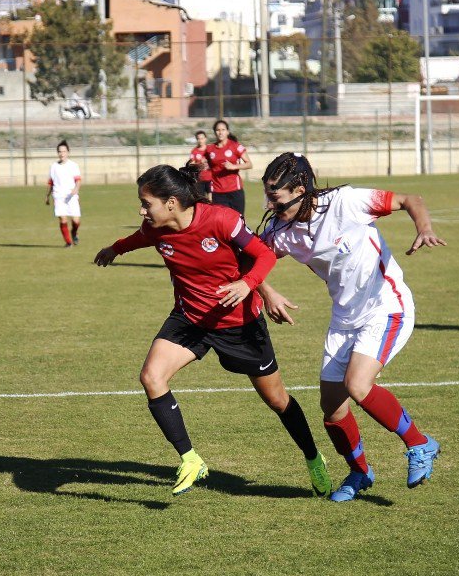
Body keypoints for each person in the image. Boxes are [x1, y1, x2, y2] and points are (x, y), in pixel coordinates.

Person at [93, 164, 332, 498]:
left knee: (277, 400)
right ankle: (191, 460)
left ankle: (312, 457)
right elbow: (138, 238)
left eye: (147, 203)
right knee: (152, 377)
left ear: (172, 203)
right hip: (189, 320)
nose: (142, 209)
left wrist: (250, 285)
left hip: (240, 326)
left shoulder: (220, 219)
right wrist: (114, 249)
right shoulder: (156, 228)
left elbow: (262, 254)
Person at [256, 153, 445, 502]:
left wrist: (425, 228)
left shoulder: (345, 202)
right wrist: (267, 291)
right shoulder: (282, 231)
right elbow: (248, 262)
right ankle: (360, 472)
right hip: (344, 319)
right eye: (267, 195)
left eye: (276, 197)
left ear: (301, 190)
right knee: (333, 409)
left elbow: (409, 200)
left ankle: (420, 443)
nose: (270, 204)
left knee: (357, 385)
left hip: (385, 307)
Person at [205, 119, 252, 215]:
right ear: (214, 132)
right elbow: (206, 164)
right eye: (218, 130)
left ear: (227, 131)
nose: (220, 132)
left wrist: (234, 166)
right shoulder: (210, 149)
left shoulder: (235, 146)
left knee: (238, 220)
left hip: (235, 190)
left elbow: (249, 164)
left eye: (223, 130)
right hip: (217, 191)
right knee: (220, 221)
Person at [45, 140, 82, 247]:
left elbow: (78, 180)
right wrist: (47, 196)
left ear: (68, 152)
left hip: (71, 196)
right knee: (63, 219)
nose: (62, 154)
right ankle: (68, 242)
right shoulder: (54, 166)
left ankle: (74, 233)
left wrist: (75, 189)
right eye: (60, 152)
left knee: (76, 221)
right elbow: (50, 182)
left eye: (64, 151)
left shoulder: (73, 165)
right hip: (58, 196)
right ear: (58, 153)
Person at [187, 129, 213, 199]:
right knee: (202, 199)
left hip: (211, 179)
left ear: (205, 139)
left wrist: (208, 162)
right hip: (200, 179)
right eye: (198, 139)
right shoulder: (194, 151)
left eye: (202, 138)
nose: (200, 140)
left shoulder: (211, 149)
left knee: (211, 199)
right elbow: (191, 165)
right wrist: (199, 164)